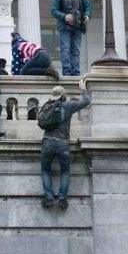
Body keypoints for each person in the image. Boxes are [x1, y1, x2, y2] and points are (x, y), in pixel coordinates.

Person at [39, 79, 91, 209]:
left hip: (47, 141)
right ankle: (62, 198)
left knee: (46, 170)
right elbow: (86, 101)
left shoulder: (46, 106)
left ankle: (49, 197)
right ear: (63, 95)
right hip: (62, 143)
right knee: (65, 171)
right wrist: (83, 88)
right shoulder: (67, 106)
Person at [50, 0, 92, 76]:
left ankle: (76, 73)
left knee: (76, 51)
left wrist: (87, 15)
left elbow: (88, 7)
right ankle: (67, 72)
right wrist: (64, 16)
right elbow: (54, 11)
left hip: (78, 26)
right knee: (65, 49)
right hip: (65, 27)